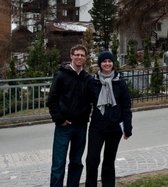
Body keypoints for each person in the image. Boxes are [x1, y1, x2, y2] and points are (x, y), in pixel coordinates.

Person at [85, 51, 132, 187]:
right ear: (100, 64)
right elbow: (85, 102)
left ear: (113, 63)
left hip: (114, 127)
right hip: (97, 127)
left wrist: (127, 127)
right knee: (92, 160)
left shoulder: (120, 82)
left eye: (109, 61)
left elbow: (126, 106)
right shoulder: (92, 81)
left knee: (109, 161)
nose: (107, 64)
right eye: (104, 61)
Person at [48, 44, 92, 187]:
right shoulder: (61, 75)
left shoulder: (87, 77)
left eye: (82, 55)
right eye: (77, 54)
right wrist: (59, 119)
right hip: (64, 127)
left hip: (81, 127)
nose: (79, 57)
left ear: (85, 58)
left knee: (76, 162)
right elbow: (52, 99)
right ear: (71, 56)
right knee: (58, 164)